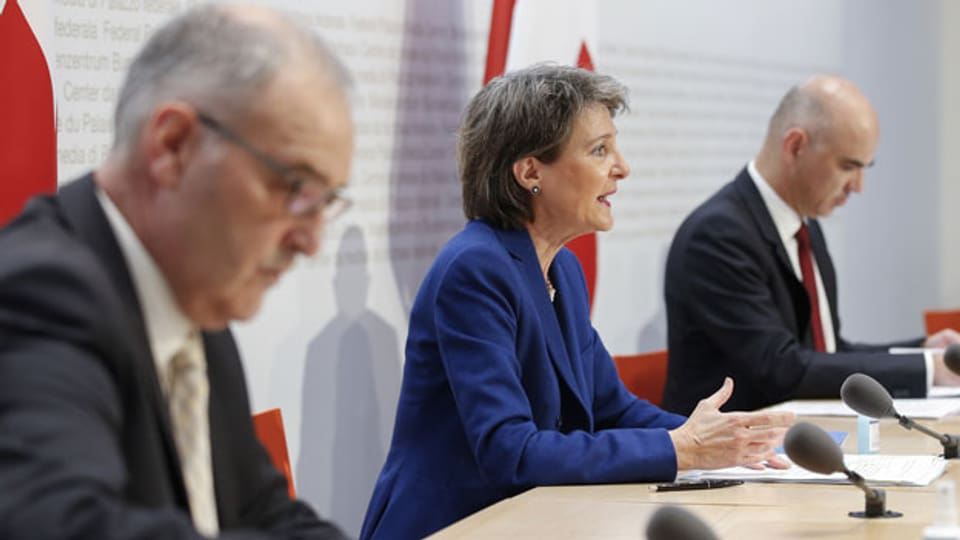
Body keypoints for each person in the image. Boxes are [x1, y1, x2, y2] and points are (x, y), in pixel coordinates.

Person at [359, 64, 794, 540]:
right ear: (530, 172)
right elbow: (513, 453)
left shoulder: (560, 267)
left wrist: (732, 442)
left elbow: (612, 408)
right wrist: (682, 449)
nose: (622, 168)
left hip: (530, 518)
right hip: (453, 524)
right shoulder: (474, 270)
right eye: (599, 150)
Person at [0, 5, 354, 539]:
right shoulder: (41, 293)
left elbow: (264, 510)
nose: (310, 241)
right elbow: (64, 526)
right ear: (173, 147)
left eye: (324, 202)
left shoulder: (195, 299)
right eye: (292, 187)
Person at [661, 75, 960, 415]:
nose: (858, 186)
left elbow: (826, 352)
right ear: (795, 146)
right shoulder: (717, 235)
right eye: (849, 166)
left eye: (865, 168)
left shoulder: (805, 225)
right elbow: (784, 370)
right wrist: (929, 369)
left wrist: (923, 352)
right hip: (732, 456)